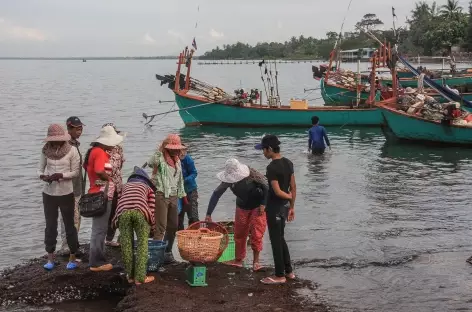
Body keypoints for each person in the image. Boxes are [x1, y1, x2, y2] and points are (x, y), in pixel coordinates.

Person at [205, 158, 268, 271]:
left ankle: (256, 261)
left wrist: (264, 203)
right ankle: (238, 260)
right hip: (241, 206)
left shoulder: (251, 174)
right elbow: (216, 194)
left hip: (257, 206)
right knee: (239, 234)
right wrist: (208, 214)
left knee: (257, 233)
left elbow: (266, 186)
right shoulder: (227, 181)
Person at [255, 135, 296, 285]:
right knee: (281, 238)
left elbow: (278, 191)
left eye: (264, 150)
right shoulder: (288, 163)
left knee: (275, 240)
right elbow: (294, 186)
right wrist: (291, 206)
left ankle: (279, 275)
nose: (263, 153)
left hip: (274, 208)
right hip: (285, 208)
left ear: (270, 149)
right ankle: (289, 271)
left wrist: (287, 197)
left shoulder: (271, 167)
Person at [38, 124, 80, 270]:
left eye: (57, 139)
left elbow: (75, 172)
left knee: (69, 225)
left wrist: (61, 175)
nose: (55, 142)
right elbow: (39, 169)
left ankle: (73, 257)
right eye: (52, 140)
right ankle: (50, 258)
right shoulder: (45, 150)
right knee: (50, 226)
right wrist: (43, 176)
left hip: (66, 193)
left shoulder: (72, 151)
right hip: (48, 194)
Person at [84, 125, 123, 272]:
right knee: (100, 229)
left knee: (97, 229)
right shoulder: (100, 152)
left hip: (96, 192)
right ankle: (96, 262)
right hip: (102, 194)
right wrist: (109, 179)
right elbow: (100, 170)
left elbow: (89, 169)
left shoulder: (92, 152)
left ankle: (96, 259)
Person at [112, 167, 156, 285]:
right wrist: (152, 227)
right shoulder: (148, 188)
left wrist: (114, 222)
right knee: (142, 244)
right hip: (140, 212)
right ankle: (140, 278)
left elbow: (120, 203)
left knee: (126, 244)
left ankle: (130, 276)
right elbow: (151, 210)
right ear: (145, 180)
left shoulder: (124, 187)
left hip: (123, 214)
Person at [147, 134, 186, 264]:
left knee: (173, 226)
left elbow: (179, 180)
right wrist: (160, 149)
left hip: (174, 195)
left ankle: (168, 252)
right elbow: (150, 163)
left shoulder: (177, 160)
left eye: (177, 148)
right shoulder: (160, 158)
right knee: (160, 227)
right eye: (173, 148)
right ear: (167, 147)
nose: (176, 150)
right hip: (162, 194)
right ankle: (155, 257)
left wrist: (183, 196)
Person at [57, 116, 84, 256]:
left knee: (76, 217)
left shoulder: (75, 144)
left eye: (80, 128)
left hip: (77, 187)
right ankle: (66, 246)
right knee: (68, 217)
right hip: (68, 188)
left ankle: (73, 243)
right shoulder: (65, 145)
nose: (79, 131)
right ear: (69, 128)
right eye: (76, 128)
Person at [103, 123, 125, 247]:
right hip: (106, 185)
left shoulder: (118, 148)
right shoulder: (101, 150)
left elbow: (120, 165)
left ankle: (109, 238)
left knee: (115, 211)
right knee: (104, 211)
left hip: (117, 184)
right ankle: (103, 237)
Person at [178, 145, 199, 230]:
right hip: (178, 192)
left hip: (190, 190)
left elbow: (194, 173)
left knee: (193, 216)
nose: (182, 153)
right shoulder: (173, 160)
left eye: (184, 151)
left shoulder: (188, 159)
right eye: (180, 151)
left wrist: (185, 180)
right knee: (179, 217)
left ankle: (195, 235)